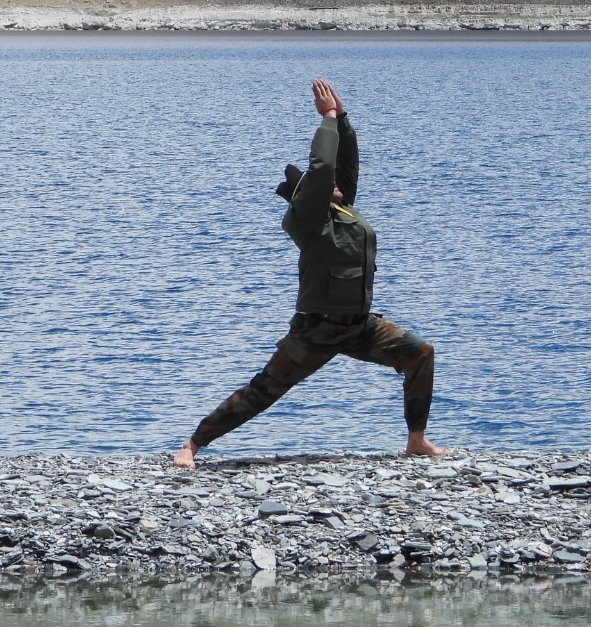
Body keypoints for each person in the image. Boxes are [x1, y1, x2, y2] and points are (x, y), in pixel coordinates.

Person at [173, 80, 445, 469]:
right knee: (264, 390)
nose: (336, 185)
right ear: (308, 195)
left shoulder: (343, 210)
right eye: (326, 186)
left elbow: (344, 165)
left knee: (420, 352)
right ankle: (192, 445)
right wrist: (327, 120)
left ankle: (416, 441)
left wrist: (345, 119)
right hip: (316, 330)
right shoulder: (306, 219)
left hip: (360, 325)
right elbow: (322, 168)